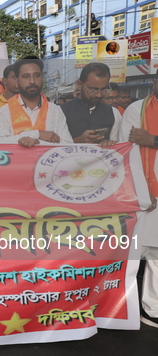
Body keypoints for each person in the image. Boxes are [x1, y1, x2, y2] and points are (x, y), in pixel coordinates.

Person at [119, 73, 158, 328]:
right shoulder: (137, 109)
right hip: (142, 192)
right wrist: (143, 191)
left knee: (156, 254)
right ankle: (121, 306)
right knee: (131, 253)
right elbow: (127, 148)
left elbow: (146, 141)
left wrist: (153, 140)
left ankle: (152, 308)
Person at [0, 57, 73, 147]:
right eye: (26, 76)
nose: (32, 81)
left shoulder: (55, 111)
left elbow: (68, 145)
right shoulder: (4, 112)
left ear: (42, 77)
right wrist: (38, 134)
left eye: (36, 75)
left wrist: (38, 142)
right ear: (17, 80)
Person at [60, 62, 120, 148]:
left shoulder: (113, 113)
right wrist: (77, 141)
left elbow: (117, 146)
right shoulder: (60, 112)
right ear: (80, 85)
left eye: (104, 89)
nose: (99, 95)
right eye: (93, 90)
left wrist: (109, 144)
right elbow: (51, 148)